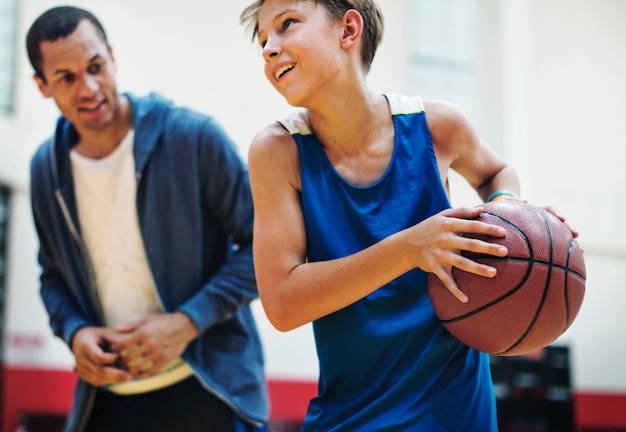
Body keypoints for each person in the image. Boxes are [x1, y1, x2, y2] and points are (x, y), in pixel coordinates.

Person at [240, 1, 579, 431]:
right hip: (352, 414)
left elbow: (496, 172)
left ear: (348, 30)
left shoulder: (438, 125)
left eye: (286, 25)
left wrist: (510, 211)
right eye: (262, 38)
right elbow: (284, 304)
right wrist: (410, 247)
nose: (269, 47)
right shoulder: (277, 151)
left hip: (456, 407)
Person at [26, 6, 268, 432]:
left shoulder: (193, 137)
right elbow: (53, 278)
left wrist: (188, 320)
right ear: (42, 86)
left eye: (96, 66)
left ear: (113, 57)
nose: (90, 87)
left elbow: (266, 246)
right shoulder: (45, 168)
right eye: (66, 77)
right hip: (106, 402)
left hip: (208, 391)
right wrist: (76, 331)